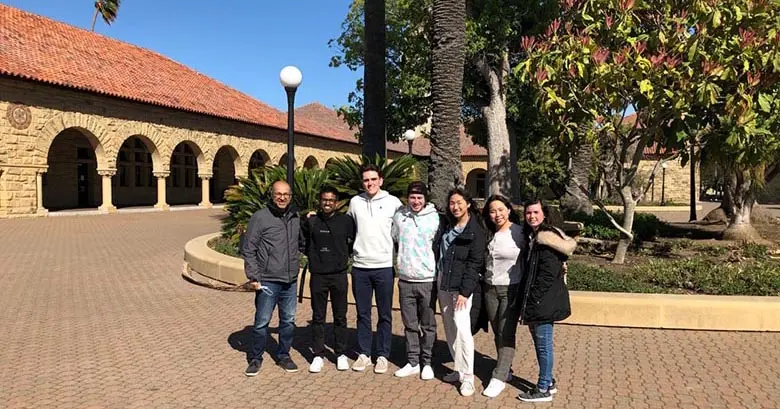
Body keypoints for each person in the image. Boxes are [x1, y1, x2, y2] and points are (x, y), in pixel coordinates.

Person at [516, 199, 576, 403]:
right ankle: (548, 381)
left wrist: (535, 299)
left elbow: (546, 275)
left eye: (535, 212)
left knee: (544, 346)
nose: (531, 216)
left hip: (543, 301)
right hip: (539, 301)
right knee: (542, 344)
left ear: (544, 214)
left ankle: (543, 388)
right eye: (528, 213)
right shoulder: (535, 237)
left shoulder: (546, 239)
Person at [347, 164, 403, 374]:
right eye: (366, 180)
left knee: (385, 314)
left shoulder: (393, 203)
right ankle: (364, 354)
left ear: (380, 180)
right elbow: (347, 226)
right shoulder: (355, 202)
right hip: (360, 267)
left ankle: (382, 355)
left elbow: (402, 231)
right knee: (362, 313)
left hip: (384, 267)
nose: (369, 183)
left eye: (373, 179)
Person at [242, 180, 302, 376]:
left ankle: (283, 355)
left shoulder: (295, 216)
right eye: (278, 194)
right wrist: (253, 276)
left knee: (288, 321)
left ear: (290, 196)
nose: (282, 197)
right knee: (261, 322)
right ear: (272, 195)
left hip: (290, 280)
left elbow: (301, 243)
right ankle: (255, 358)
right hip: (267, 280)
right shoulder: (260, 218)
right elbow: (249, 249)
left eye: (286, 194)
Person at [433, 188, 486, 397]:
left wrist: (465, 292)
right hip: (443, 283)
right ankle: (458, 368)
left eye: (459, 203)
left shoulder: (475, 231)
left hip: (461, 288)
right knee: (450, 328)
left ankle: (468, 377)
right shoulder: (447, 224)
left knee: (463, 331)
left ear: (468, 204)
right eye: (452, 203)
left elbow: (475, 264)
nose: (455, 207)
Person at [300, 186, 356, 373]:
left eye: (331, 200)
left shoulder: (346, 221)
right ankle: (318, 354)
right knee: (318, 316)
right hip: (318, 275)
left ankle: (340, 353)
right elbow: (302, 240)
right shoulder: (311, 221)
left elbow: (353, 241)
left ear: (337, 202)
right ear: (320, 200)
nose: (327, 203)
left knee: (340, 316)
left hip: (339, 274)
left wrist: (343, 257)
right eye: (324, 199)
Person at [391, 181, 440, 380]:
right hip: (405, 279)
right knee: (410, 324)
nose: (416, 201)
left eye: (420, 198)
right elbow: (394, 238)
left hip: (427, 279)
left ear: (425, 199)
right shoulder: (399, 216)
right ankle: (413, 361)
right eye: (412, 197)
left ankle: (427, 362)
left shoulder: (435, 218)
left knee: (427, 325)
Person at [480, 194, 526, 398]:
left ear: (508, 210)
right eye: (492, 211)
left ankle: (498, 377)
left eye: (500, 209)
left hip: (511, 288)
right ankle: (505, 368)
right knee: (498, 330)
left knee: (506, 332)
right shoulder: (488, 233)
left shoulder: (520, 232)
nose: (496, 214)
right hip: (490, 288)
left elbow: (534, 254)